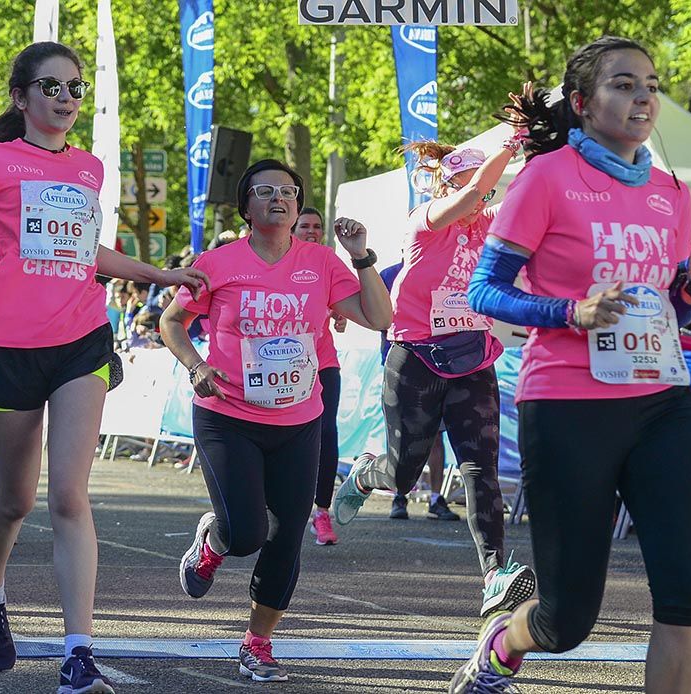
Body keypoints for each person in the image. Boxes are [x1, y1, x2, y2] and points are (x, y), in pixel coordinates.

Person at [0, 41, 207, 694]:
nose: (68, 98)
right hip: (6, 352)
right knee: (13, 500)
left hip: (80, 345)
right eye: (53, 87)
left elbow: (86, 251)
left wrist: (159, 272)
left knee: (69, 494)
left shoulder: (91, 168)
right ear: (22, 98)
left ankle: (79, 655)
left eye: (76, 88)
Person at [449, 36, 691, 693]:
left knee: (687, 593)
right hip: (568, 406)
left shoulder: (671, 193)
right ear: (581, 103)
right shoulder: (546, 178)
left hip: (661, 401)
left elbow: (659, 310)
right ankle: (504, 644)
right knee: (566, 618)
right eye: (623, 84)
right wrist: (570, 312)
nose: (643, 97)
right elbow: (484, 292)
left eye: (651, 84)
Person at [159, 159, 391, 683]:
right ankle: (215, 542)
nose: (279, 199)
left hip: (298, 418)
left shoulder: (322, 262)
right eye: (265, 191)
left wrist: (362, 258)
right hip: (227, 415)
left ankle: (257, 641)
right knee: (247, 533)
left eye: (288, 191)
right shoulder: (216, 262)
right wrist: (196, 366)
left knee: (286, 537)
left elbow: (380, 318)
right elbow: (171, 322)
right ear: (246, 206)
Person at [332, 86, 539, 620]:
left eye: (481, 184)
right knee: (405, 474)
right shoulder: (424, 220)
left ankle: (494, 574)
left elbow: (527, 209)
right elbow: (471, 199)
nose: (479, 193)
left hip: (473, 358)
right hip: (416, 358)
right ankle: (364, 474)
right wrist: (512, 142)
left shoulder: (491, 226)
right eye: (467, 182)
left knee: (481, 471)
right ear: (449, 183)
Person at [378, 260, 456, 521]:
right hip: (400, 366)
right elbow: (378, 316)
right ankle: (399, 496)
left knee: (435, 435)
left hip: (439, 366)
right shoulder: (389, 275)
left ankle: (436, 499)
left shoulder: (443, 270)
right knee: (401, 437)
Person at [293, 206, 345, 545]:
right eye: (305, 226)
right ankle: (280, 506)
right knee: (289, 436)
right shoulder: (276, 259)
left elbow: (344, 297)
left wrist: (340, 313)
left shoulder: (327, 260)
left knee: (326, 431)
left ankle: (321, 512)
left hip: (323, 361)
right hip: (283, 366)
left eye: (317, 226)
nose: (312, 231)